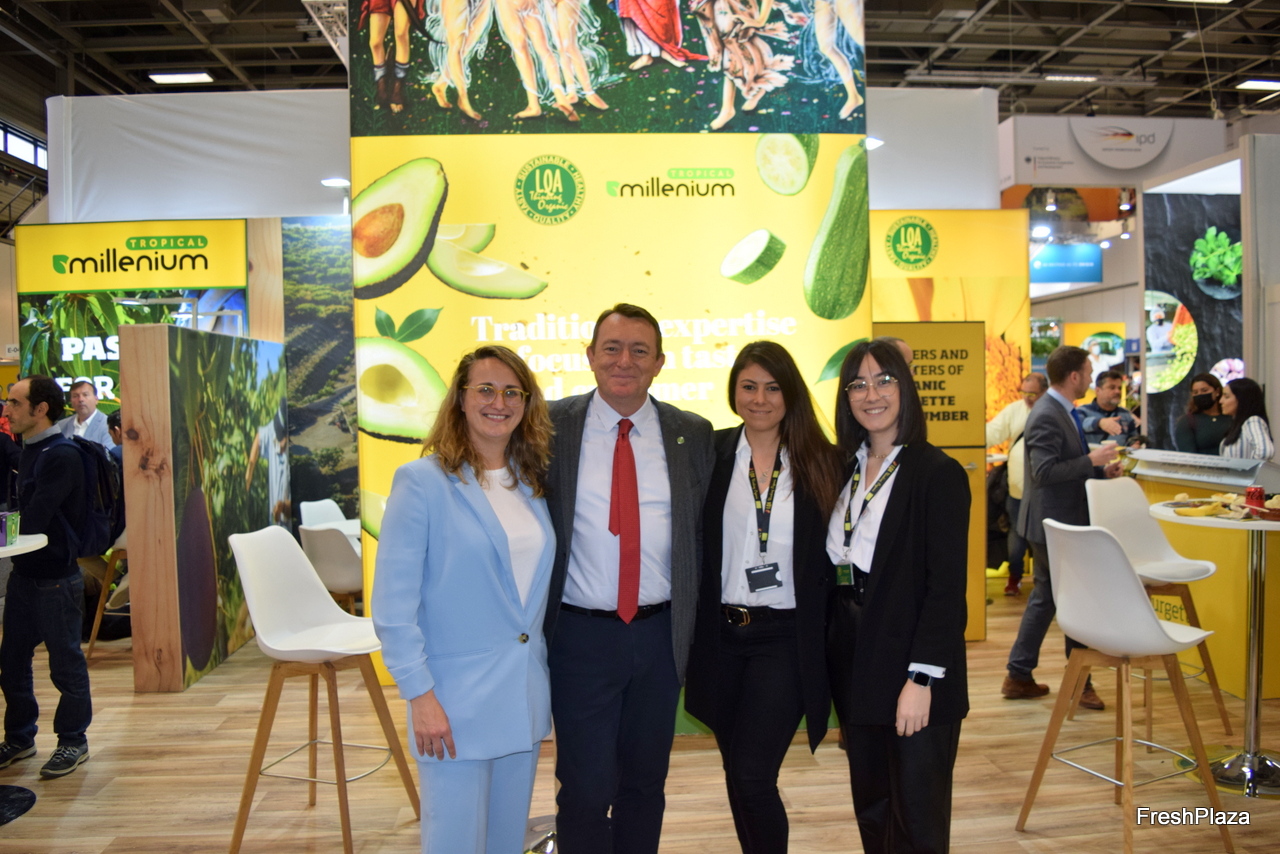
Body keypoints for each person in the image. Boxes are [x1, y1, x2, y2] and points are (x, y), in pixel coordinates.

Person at [544, 303, 713, 854]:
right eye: (612, 348)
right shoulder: (549, 426)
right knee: (585, 788)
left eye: (640, 351)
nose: (624, 361)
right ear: (590, 356)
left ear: (660, 362)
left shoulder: (692, 434)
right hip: (580, 637)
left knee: (645, 784)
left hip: (659, 636)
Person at [372, 345, 556, 853]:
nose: (499, 402)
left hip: (521, 700)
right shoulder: (422, 482)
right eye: (485, 390)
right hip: (452, 707)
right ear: (459, 398)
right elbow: (393, 607)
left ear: (526, 403)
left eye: (512, 392)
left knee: (505, 842)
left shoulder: (532, 483)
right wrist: (420, 697)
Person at [684, 341, 841, 854]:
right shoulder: (710, 454)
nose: (759, 399)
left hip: (785, 638)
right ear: (733, 391)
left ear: (790, 393)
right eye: (748, 386)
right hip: (720, 636)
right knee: (737, 773)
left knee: (753, 774)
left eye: (772, 388)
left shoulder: (823, 461)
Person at [824, 337, 970, 854]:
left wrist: (921, 679)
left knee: (917, 814)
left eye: (884, 380)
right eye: (858, 384)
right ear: (846, 397)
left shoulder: (937, 473)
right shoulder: (842, 467)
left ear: (905, 387)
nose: (872, 394)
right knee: (873, 806)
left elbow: (945, 589)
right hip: (855, 658)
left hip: (912, 662)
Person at [1003, 346, 1122, 711]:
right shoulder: (1048, 414)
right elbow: (1044, 473)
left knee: (1049, 597)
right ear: (1073, 376)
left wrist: (1099, 469)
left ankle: (1021, 674)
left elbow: (1062, 465)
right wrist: (1091, 460)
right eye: (1087, 372)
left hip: (1055, 522)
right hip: (1054, 524)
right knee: (1070, 598)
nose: (1090, 378)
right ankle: (1078, 683)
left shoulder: (1059, 410)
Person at [0, 376, 92, 779]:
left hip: (56, 578)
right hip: (24, 575)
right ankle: (20, 738)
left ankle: (73, 740)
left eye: (15, 403)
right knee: (12, 662)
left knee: (65, 665)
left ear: (41, 409)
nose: (7, 410)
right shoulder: (30, 450)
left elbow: (35, 519)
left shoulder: (61, 455)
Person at [985, 372, 1047, 596]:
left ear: (1044, 392)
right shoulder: (1015, 410)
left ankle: (1044, 582)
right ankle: (1015, 577)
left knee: (1043, 539)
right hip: (1017, 491)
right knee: (1016, 536)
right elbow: (993, 432)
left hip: (1043, 491)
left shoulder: (1052, 412)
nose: (1027, 398)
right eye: (1024, 393)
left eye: (1032, 394)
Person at [1075, 369, 1140, 448]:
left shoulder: (1125, 414)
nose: (1117, 391)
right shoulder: (1082, 411)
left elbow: (1132, 438)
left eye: (1119, 388)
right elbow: (1076, 425)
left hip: (1119, 455)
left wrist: (1134, 444)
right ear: (1098, 390)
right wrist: (1099, 423)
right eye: (1112, 388)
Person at [1174, 373, 1231, 455]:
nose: (1200, 395)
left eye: (1204, 390)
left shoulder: (1231, 417)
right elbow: (1188, 455)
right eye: (1195, 392)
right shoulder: (1187, 422)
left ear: (1217, 391)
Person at [1219, 377, 1274, 461]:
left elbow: (1265, 452)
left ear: (1242, 399)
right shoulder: (1237, 425)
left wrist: (1247, 468)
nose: (1220, 401)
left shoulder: (1253, 421)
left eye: (1226, 397)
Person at [56, 381, 113, 450]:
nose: (80, 399)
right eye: (75, 396)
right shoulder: (61, 426)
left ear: (96, 399)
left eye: (85, 395)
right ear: (71, 401)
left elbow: (108, 454)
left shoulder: (108, 425)